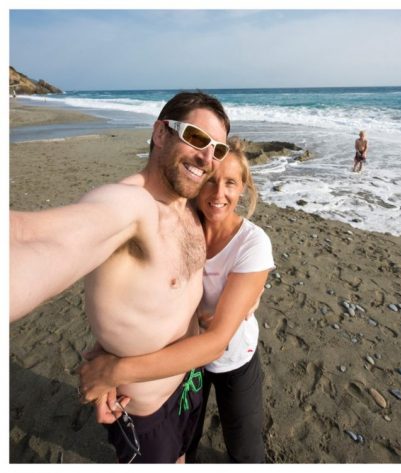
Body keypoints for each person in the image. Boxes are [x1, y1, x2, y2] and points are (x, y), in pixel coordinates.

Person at [9, 91, 231, 462]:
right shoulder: (132, 206)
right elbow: (36, 239)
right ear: (161, 133)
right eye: (196, 137)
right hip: (144, 409)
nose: (208, 157)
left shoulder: (188, 205)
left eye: (218, 149)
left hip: (191, 384)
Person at [79, 137, 274, 463]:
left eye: (230, 183)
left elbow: (217, 340)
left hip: (235, 360)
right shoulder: (185, 223)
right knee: (186, 444)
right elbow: (138, 298)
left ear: (243, 189)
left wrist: (113, 372)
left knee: (245, 448)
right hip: (184, 364)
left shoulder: (252, 245)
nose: (218, 193)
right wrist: (104, 353)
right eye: (210, 180)